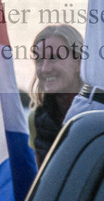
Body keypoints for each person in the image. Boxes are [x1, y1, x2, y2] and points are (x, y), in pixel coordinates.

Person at [28, 25, 84, 166]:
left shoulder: (101, 113)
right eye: (39, 60)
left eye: (54, 58)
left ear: (78, 63)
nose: (45, 69)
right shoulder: (35, 119)